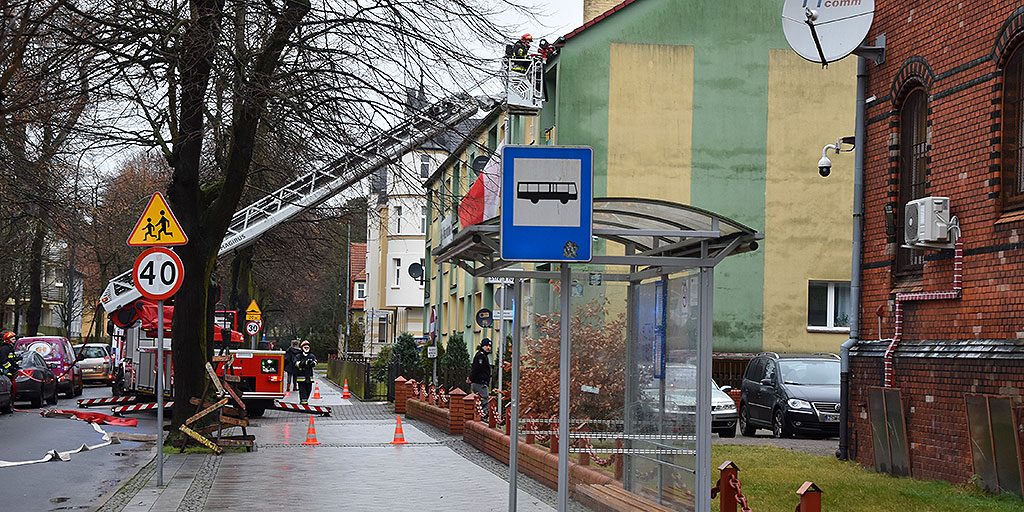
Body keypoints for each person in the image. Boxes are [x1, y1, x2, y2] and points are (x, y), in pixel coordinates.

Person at [468, 338, 492, 420]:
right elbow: (476, 369)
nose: (488, 348)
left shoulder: (483, 355)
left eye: (490, 346)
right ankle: (482, 417)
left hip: (479, 382)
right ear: (482, 346)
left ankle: (478, 416)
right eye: (486, 346)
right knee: (484, 399)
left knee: (479, 400)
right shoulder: (481, 356)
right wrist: (471, 378)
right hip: (480, 383)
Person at [293, 340, 318, 405]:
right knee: (302, 391)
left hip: (309, 378)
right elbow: (296, 364)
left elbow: (315, 363)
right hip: (301, 378)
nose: (306, 348)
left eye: (307, 347)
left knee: (309, 390)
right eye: (305, 347)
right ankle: (303, 403)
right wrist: (304, 363)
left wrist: (312, 363)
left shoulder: (312, 356)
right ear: (302, 348)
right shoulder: (298, 356)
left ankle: (305, 400)